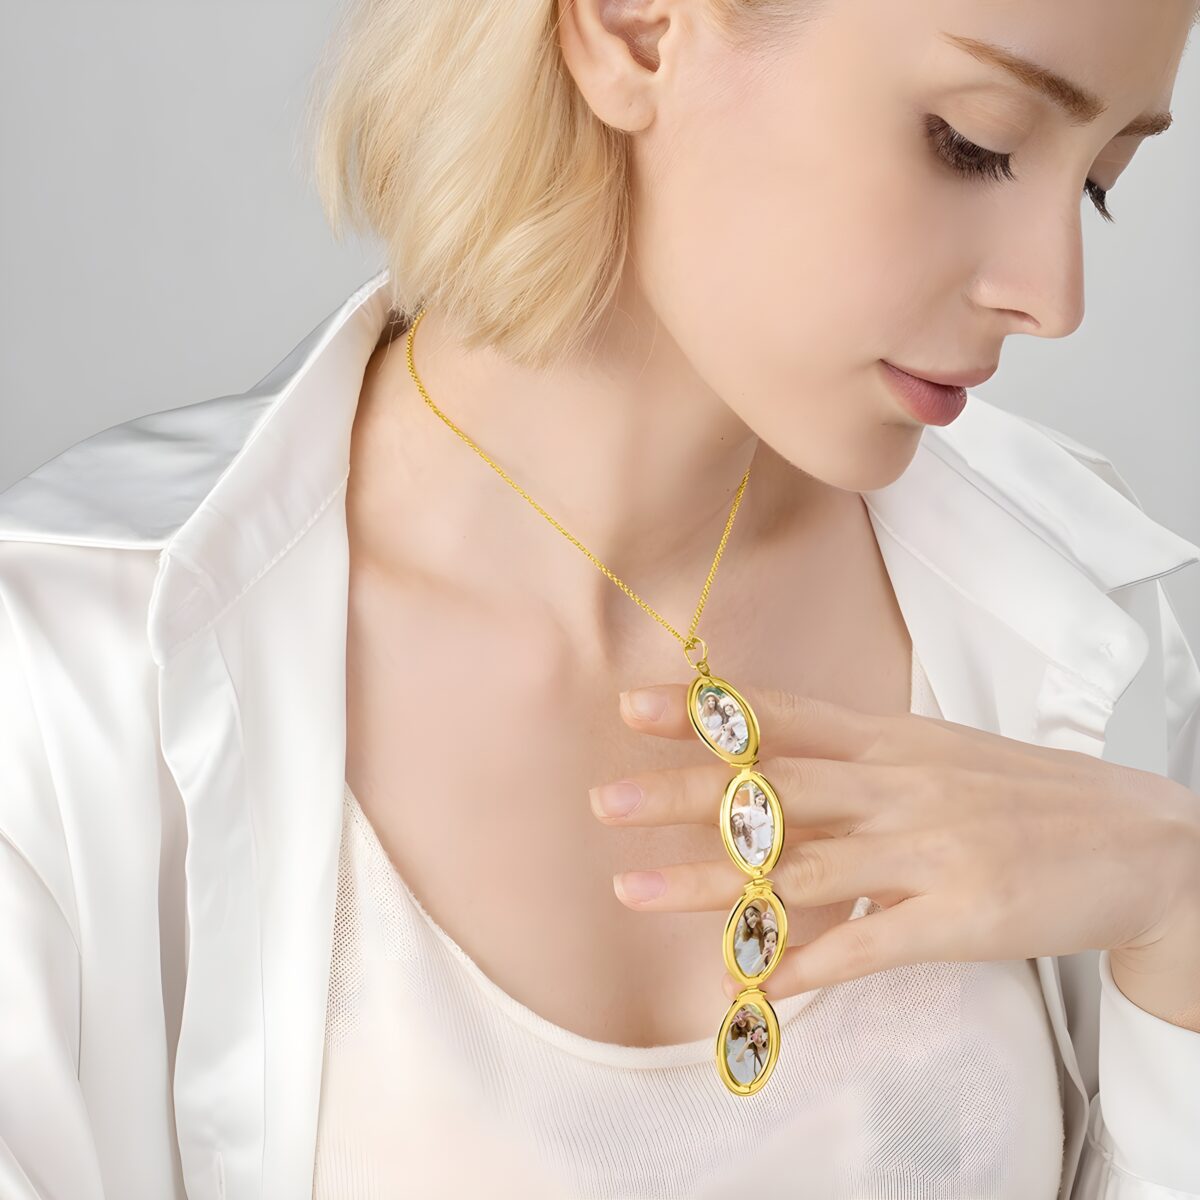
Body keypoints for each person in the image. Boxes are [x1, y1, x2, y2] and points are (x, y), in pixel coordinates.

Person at [2, 1, 1200, 1198]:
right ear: (634, 30)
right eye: (974, 142)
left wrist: (1185, 918)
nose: (1054, 296)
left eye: (1100, 183)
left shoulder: (1097, 624)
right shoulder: (68, 683)